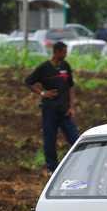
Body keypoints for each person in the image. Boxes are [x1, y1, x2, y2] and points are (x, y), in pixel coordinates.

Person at [25, 41, 78, 174]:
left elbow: (71, 86)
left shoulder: (65, 66)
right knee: (50, 139)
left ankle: (78, 164)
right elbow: (28, 82)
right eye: (64, 52)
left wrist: (72, 106)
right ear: (57, 52)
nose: (66, 55)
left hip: (64, 110)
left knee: (74, 138)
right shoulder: (44, 68)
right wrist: (43, 93)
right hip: (49, 110)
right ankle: (52, 168)